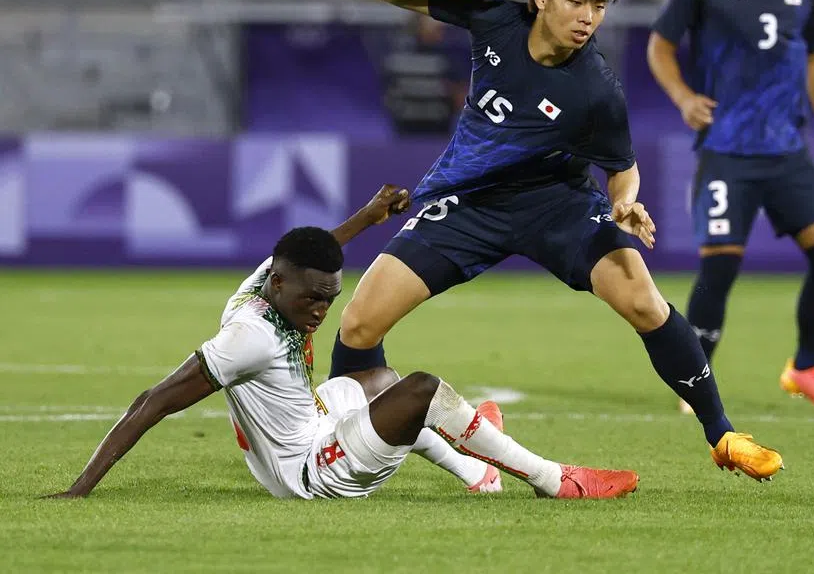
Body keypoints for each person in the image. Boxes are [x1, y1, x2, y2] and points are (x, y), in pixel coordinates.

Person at [328, 0, 784, 483]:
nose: (588, 17)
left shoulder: (596, 91)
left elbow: (622, 168)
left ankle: (722, 434)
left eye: (600, 5)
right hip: (471, 204)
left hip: (557, 206)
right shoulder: (493, 19)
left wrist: (624, 202)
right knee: (359, 324)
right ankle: (343, 441)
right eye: (577, 0)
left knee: (643, 300)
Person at [45, 186, 638, 500]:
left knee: (379, 381)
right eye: (312, 301)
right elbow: (152, 402)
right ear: (280, 285)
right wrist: (80, 489)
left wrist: (367, 217)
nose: (321, 312)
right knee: (422, 390)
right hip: (309, 474)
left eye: (329, 299)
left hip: (305, 427)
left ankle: (477, 471)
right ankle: (551, 479)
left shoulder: (266, 281)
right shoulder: (248, 338)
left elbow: (315, 250)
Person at [646, 0, 814, 415]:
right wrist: (683, 97)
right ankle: (694, 383)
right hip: (727, 150)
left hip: (787, 149)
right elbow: (660, 46)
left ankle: (806, 368)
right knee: (719, 267)